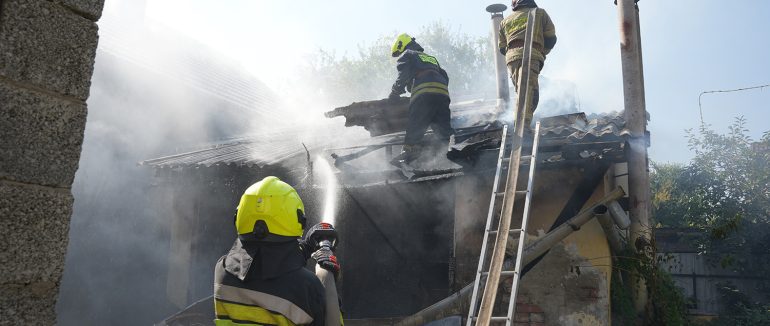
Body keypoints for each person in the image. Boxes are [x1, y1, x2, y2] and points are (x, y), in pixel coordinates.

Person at [213, 176, 341, 325]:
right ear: (297, 219)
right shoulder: (307, 286)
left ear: (239, 216)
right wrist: (327, 275)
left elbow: (263, 264)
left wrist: (306, 247)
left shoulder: (222, 270)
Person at [389, 33, 455, 164]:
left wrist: (394, 93)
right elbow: (444, 75)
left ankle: (409, 151)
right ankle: (448, 150)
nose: (399, 54)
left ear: (401, 46)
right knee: (443, 128)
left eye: (398, 52)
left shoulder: (407, 54)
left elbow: (403, 76)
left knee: (416, 121)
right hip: (442, 92)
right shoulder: (431, 58)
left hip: (424, 92)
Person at [498, 0, 557, 131]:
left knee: (521, 91)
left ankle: (520, 124)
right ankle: (522, 127)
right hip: (531, 55)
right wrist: (542, 52)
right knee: (530, 93)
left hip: (512, 59)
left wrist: (514, 51)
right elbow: (551, 39)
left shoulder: (505, 21)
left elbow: (501, 48)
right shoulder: (540, 13)